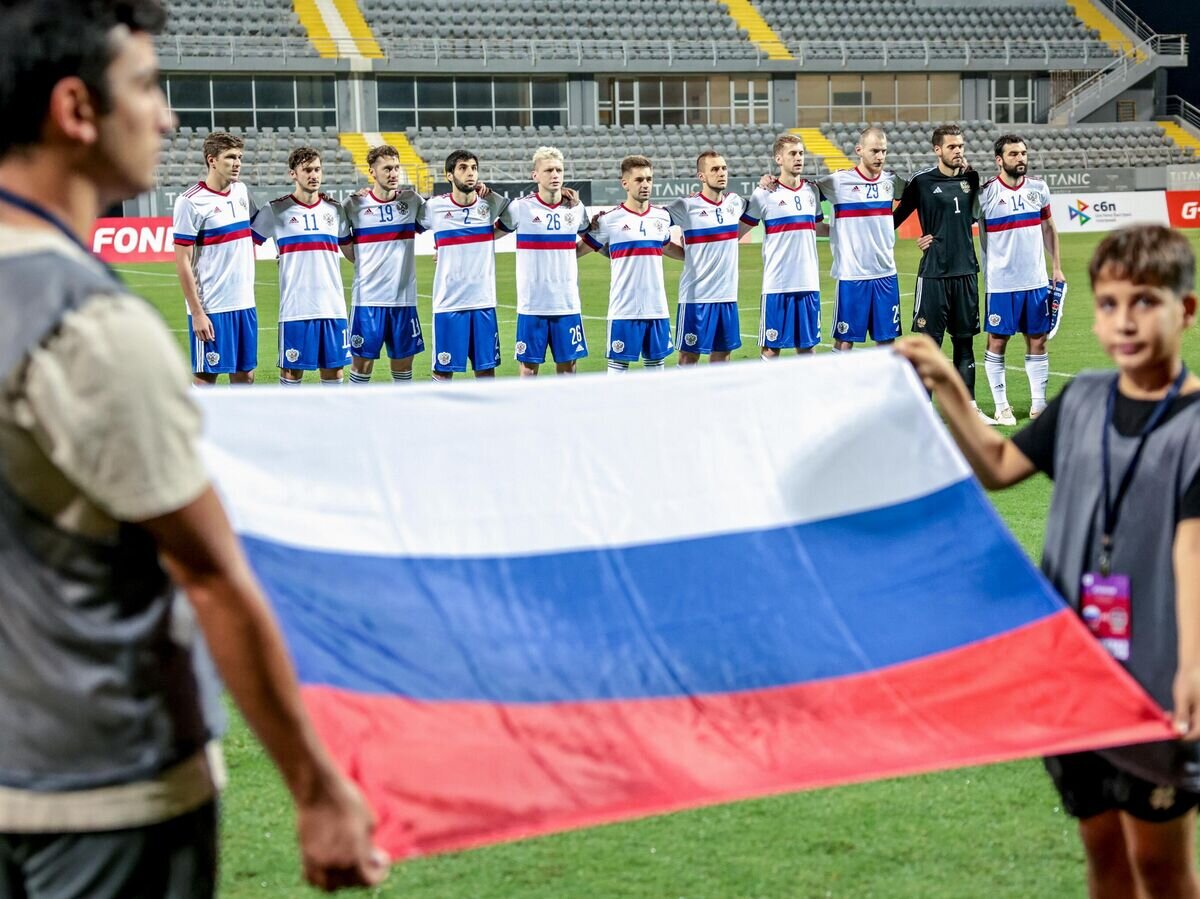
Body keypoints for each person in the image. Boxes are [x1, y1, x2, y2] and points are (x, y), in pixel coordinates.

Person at [0, 1, 385, 895]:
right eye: (146, 86)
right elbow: (211, 576)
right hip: (107, 793)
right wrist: (319, 784)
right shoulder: (94, 331)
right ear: (75, 109)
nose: (166, 116)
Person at [898, 224, 1200, 899]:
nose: (1124, 321)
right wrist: (948, 382)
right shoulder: (1085, 398)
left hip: (1156, 677)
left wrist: (1192, 665)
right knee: (1102, 853)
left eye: (1145, 302)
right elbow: (1002, 465)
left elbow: (1192, 550)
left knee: (1160, 864)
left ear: (1185, 310)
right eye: (1110, 303)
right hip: (1073, 672)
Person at [893, 124, 993, 423]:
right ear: (937, 150)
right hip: (934, 274)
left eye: (961, 145)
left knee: (964, 343)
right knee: (929, 346)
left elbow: (975, 214)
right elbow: (892, 220)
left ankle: (969, 409)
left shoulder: (972, 178)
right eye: (952, 147)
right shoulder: (921, 182)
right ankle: (922, 411)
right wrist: (918, 239)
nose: (958, 151)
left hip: (966, 272)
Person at [977, 134, 1064, 425]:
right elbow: (959, 224)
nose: (1021, 158)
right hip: (1001, 283)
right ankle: (1002, 406)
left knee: (1038, 341)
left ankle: (1038, 405)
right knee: (997, 341)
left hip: (1036, 282)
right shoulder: (985, 194)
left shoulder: (1039, 189)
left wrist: (1057, 268)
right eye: (1014, 154)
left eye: (1024, 153)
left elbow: (1049, 228)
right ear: (999, 160)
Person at [251, 147, 353, 386]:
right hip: (295, 309)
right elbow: (244, 246)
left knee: (334, 373)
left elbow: (352, 253)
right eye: (307, 170)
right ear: (293, 174)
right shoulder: (275, 210)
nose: (313, 175)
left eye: (317, 169)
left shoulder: (335, 210)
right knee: (291, 374)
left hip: (333, 307)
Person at [172, 131, 258, 385]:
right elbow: (182, 262)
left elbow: (262, 225)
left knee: (246, 377)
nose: (237, 163)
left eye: (239, 157)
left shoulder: (241, 191)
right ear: (212, 160)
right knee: (205, 381)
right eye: (230, 157)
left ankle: (239, 427)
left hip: (244, 305)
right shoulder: (190, 202)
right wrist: (198, 313)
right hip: (212, 308)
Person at [579, 155, 678, 373]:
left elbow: (667, 247)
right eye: (639, 180)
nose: (645, 185)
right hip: (624, 309)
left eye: (649, 179)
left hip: (657, 309)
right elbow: (579, 250)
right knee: (618, 369)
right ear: (625, 183)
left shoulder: (662, 218)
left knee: (656, 369)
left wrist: (699, 256)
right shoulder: (608, 220)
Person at [418, 150, 510, 380]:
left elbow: (513, 221)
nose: (470, 173)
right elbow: (405, 228)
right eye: (463, 168)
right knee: (443, 371)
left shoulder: (490, 205)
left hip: (483, 302)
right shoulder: (433, 208)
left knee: (486, 370)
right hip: (449, 303)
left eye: (473, 168)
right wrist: (442, 246)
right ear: (449, 175)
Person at [816, 127, 907, 352]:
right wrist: (769, 180)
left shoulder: (892, 181)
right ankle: (840, 387)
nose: (880, 156)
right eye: (875, 151)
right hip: (852, 275)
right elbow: (799, 191)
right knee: (845, 341)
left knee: (887, 341)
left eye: (884, 151)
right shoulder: (838, 181)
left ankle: (883, 387)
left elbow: (921, 196)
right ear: (859, 150)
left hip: (886, 273)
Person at [502, 146, 589, 375]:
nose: (555, 175)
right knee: (529, 368)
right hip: (532, 304)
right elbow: (489, 234)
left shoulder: (576, 208)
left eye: (559, 170)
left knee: (569, 366)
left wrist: (570, 251)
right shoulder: (520, 208)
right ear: (535, 175)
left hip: (567, 302)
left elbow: (593, 236)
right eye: (549, 170)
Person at [342, 144, 424, 384]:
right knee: (361, 366)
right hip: (367, 300)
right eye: (387, 168)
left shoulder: (411, 201)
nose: (394, 173)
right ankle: (356, 416)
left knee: (403, 367)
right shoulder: (354, 205)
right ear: (372, 172)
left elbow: (441, 220)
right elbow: (344, 244)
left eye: (397, 168)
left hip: (403, 300)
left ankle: (401, 417)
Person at [741, 134, 828, 358]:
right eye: (792, 153)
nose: (798, 158)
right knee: (771, 349)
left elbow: (817, 227)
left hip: (808, 282)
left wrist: (850, 229)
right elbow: (739, 230)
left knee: (807, 347)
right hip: (777, 284)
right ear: (778, 159)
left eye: (801, 153)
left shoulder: (812, 191)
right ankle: (768, 394)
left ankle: (807, 394)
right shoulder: (764, 193)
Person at [664, 150, 747, 364]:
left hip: (728, 296)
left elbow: (762, 205)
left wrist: (768, 181)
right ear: (701, 176)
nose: (721, 173)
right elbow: (653, 226)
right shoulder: (686, 206)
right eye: (715, 169)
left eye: (724, 168)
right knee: (689, 357)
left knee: (723, 355)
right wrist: (684, 254)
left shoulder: (735, 203)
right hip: (696, 298)